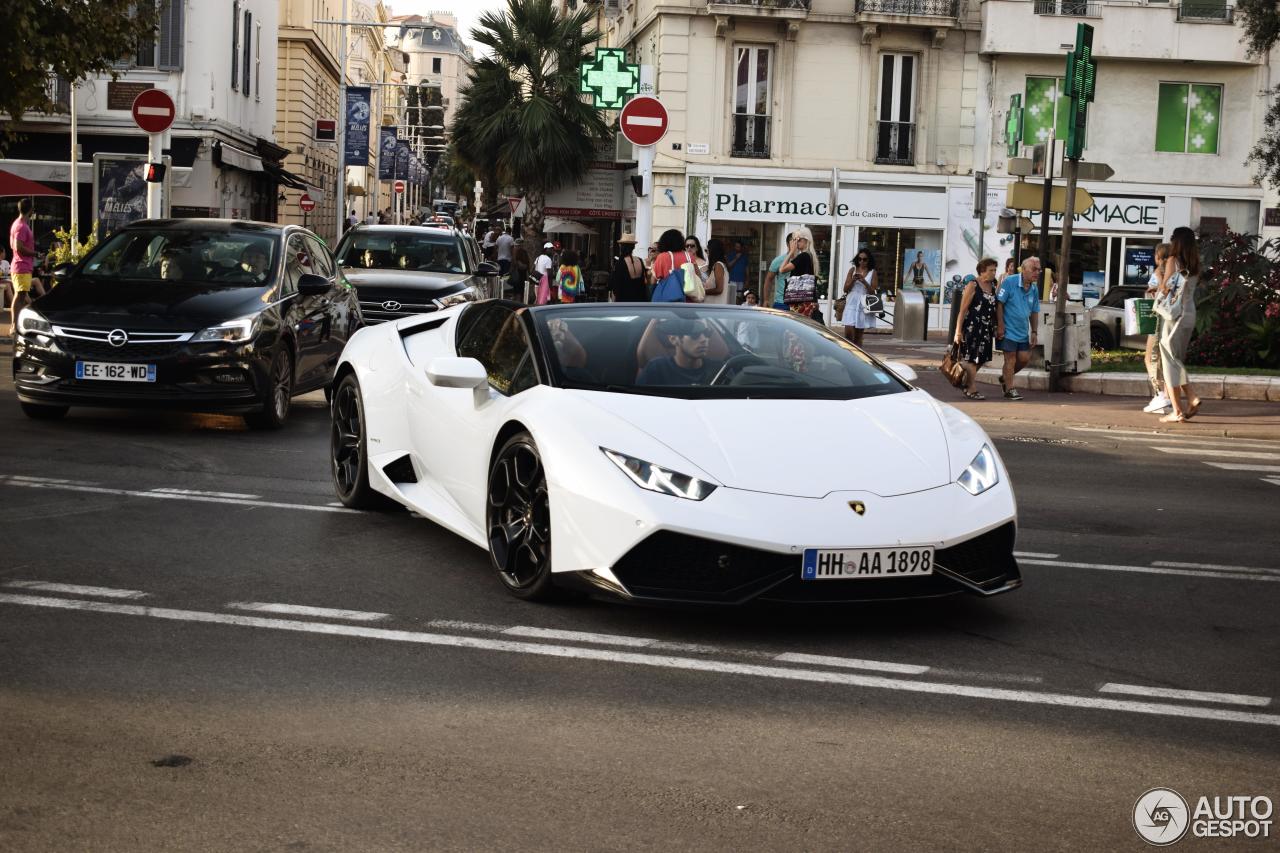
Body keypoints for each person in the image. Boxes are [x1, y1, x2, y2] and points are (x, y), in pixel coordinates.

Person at [1156, 227, 1202, 423]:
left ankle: (1187, 401)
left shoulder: (1173, 261)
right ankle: (1178, 409)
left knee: (1169, 360)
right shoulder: (1195, 264)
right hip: (1189, 313)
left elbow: (1166, 288)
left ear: (1176, 242)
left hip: (1174, 315)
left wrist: (1159, 281)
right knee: (1175, 360)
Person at [952, 259, 1000, 400]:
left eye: (995, 270)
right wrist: (958, 331)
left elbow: (995, 308)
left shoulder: (993, 285)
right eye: (991, 270)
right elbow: (962, 310)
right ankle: (972, 389)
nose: (993, 273)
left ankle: (967, 384)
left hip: (986, 328)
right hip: (973, 327)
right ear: (982, 271)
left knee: (981, 359)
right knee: (973, 359)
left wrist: (996, 326)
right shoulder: (973, 284)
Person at [995, 256, 1041, 400]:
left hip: (1022, 331)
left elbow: (1034, 311)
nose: (1037, 272)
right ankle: (1010, 389)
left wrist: (1034, 331)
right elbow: (999, 303)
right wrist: (1000, 325)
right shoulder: (1010, 281)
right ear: (1024, 269)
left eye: (1039, 270)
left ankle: (1005, 378)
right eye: (1034, 269)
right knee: (1010, 359)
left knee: (1024, 358)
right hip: (1008, 330)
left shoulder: (1033, 288)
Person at [636, 319, 724, 386]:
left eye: (707, 333)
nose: (704, 339)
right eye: (695, 334)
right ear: (674, 339)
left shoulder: (721, 369)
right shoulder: (657, 369)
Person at [1142, 243, 1172, 414]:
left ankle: (1159, 394)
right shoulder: (1175, 273)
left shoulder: (1158, 273)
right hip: (1170, 320)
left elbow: (1154, 292)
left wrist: (1156, 285)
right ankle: (1167, 396)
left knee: (1150, 358)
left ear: (1157, 257)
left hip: (1158, 319)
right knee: (1165, 361)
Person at [9, 199, 37, 335]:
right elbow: (18, 247)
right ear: (30, 210)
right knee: (19, 296)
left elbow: (13, 246)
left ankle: (15, 325)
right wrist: (35, 253)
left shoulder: (17, 224)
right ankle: (15, 326)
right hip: (21, 266)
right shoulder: (21, 226)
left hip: (21, 265)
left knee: (20, 296)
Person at [840, 249, 878, 346]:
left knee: (858, 336)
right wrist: (853, 280)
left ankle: (857, 357)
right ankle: (848, 354)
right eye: (859, 259)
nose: (861, 262)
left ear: (869, 260)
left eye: (864, 259)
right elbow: (845, 289)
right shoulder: (852, 270)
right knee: (848, 333)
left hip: (863, 304)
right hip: (851, 302)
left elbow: (873, 292)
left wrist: (864, 282)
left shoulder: (872, 272)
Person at [779, 227, 818, 318]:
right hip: (806, 298)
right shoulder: (809, 255)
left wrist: (791, 251)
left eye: (798, 240)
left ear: (806, 240)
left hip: (799, 299)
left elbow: (782, 269)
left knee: (798, 325)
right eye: (795, 240)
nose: (796, 242)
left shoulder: (803, 256)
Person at [650, 229, 696, 300]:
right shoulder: (689, 256)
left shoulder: (663, 257)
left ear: (664, 242)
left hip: (669, 300)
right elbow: (698, 276)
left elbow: (654, 280)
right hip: (689, 300)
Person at [608, 233, 647, 303]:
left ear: (622, 247)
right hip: (640, 300)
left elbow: (615, 285)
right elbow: (643, 282)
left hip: (624, 302)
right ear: (633, 247)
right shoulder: (640, 260)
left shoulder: (620, 263)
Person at [763, 233, 795, 308]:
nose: (795, 244)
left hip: (798, 303)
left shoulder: (803, 259)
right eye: (793, 242)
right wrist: (766, 300)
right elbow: (769, 279)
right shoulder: (778, 260)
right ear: (788, 244)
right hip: (781, 302)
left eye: (798, 241)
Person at [702, 238, 731, 305]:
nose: (706, 253)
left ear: (712, 251)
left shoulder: (718, 265)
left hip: (714, 308)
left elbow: (719, 289)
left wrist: (702, 291)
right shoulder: (718, 265)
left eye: (707, 250)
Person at [725, 239, 749, 306]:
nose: (737, 248)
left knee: (739, 297)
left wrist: (747, 280)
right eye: (736, 246)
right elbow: (729, 266)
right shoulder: (730, 255)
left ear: (741, 248)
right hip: (732, 279)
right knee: (732, 297)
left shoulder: (744, 256)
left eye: (738, 247)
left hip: (741, 280)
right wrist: (736, 258)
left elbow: (747, 269)